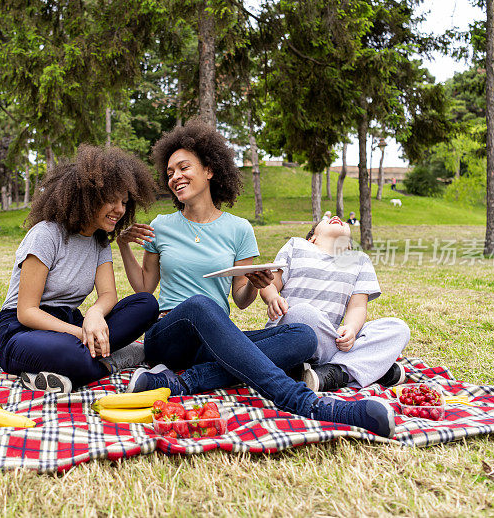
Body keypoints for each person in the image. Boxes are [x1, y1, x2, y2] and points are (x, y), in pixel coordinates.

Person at [116, 120, 396, 438]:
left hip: (214, 340)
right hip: (169, 335)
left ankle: (179, 383)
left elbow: (240, 298)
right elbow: (144, 288)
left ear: (209, 170)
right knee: (200, 305)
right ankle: (312, 406)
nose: (175, 177)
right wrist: (124, 246)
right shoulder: (161, 225)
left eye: (183, 167)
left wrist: (255, 282)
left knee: (303, 337)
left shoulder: (239, 229)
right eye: (170, 173)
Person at [0, 144, 160, 393]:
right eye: (111, 200)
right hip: (22, 332)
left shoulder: (100, 240)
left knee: (146, 304)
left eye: (124, 202)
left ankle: (70, 366)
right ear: (87, 196)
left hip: (71, 324)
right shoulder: (46, 235)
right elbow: (26, 311)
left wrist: (93, 315)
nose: (120, 210)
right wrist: (81, 333)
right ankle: (113, 361)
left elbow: (108, 295)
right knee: (72, 354)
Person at [260, 215, 410, 392]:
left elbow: (358, 306)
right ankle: (365, 368)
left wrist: (352, 329)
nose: (337, 217)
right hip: (293, 332)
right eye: (326, 220)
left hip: (330, 341)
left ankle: (333, 373)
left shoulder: (359, 260)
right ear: (312, 238)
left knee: (397, 328)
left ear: (348, 245)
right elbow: (269, 283)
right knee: (304, 313)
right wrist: (272, 298)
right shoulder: (296, 245)